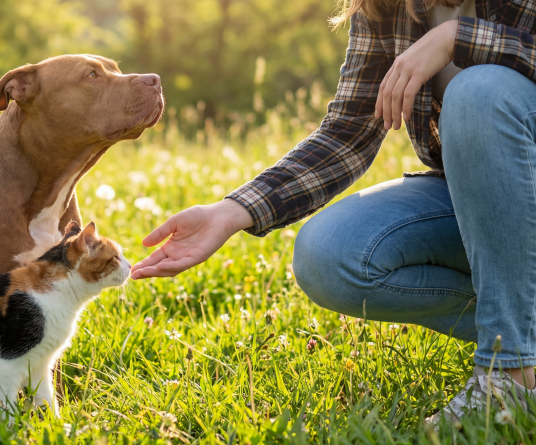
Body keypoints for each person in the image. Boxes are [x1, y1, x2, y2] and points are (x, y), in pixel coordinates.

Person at [131, 0, 536, 424]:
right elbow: (348, 133)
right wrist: (232, 211)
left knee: (479, 92)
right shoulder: (386, 6)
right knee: (331, 253)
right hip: (483, 201)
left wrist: (458, 39)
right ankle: (518, 329)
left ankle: (511, 374)